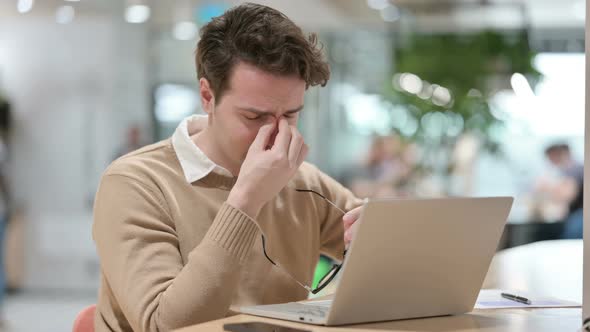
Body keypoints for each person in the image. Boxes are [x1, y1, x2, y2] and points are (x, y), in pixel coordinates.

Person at [92, 4, 364, 331]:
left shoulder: (304, 181)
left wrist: (379, 238)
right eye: (254, 117)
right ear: (208, 96)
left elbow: (384, 250)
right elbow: (165, 325)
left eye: (291, 115)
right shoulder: (136, 183)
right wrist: (246, 198)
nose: (277, 134)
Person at [537, 143, 583, 239]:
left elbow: (567, 195)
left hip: (580, 214)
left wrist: (548, 188)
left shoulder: (574, 169)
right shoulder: (569, 169)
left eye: (551, 158)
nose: (550, 161)